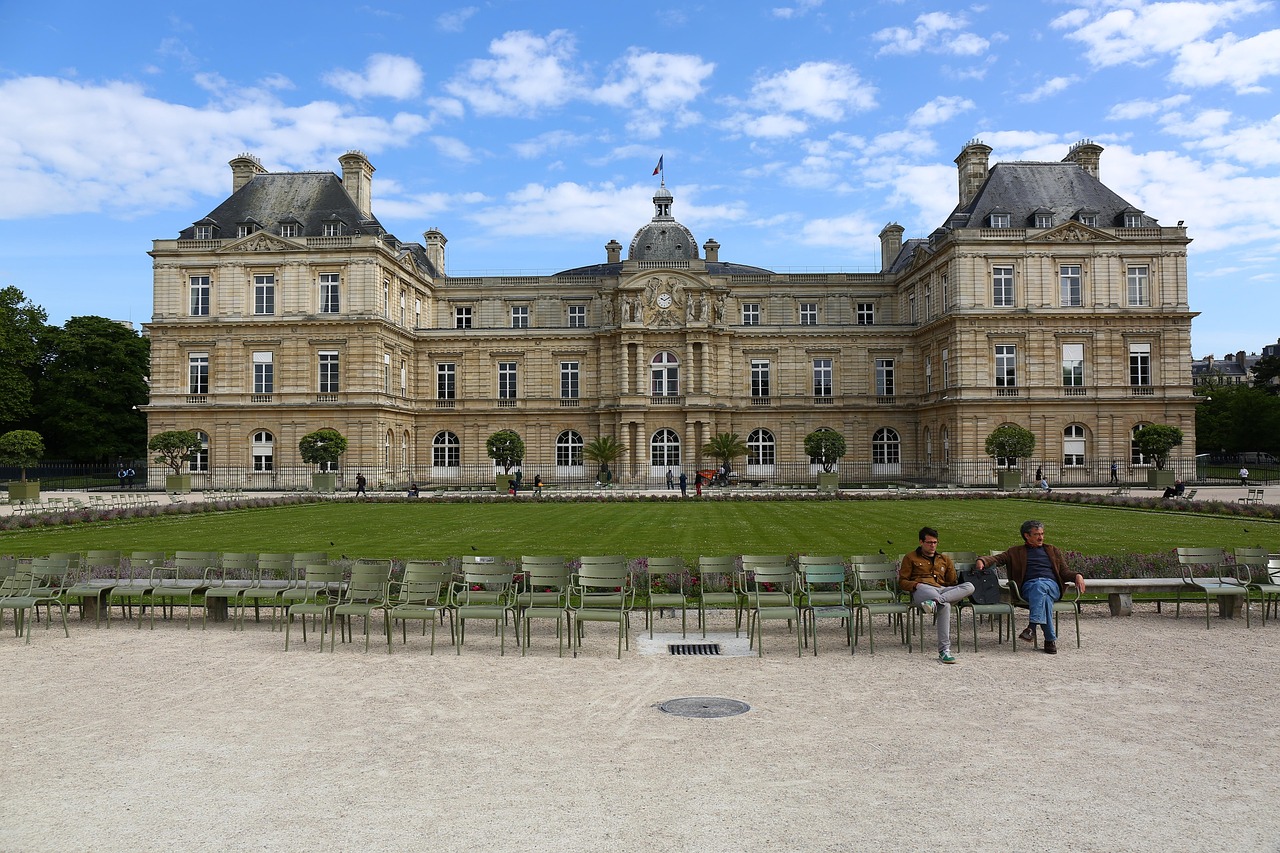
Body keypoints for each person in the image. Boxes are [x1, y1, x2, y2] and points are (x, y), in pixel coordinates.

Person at [976, 520, 1086, 655]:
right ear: (1026, 536)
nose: (1041, 537)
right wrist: (982, 560)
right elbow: (997, 559)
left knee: (1040, 586)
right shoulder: (1015, 552)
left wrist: (1077, 576)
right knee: (1044, 598)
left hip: (1052, 586)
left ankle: (1032, 627)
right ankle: (1049, 640)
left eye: (1042, 534)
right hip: (1029, 588)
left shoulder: (1052, 550)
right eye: (1037, 534)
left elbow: (1064, 572)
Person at [898, 527, 974, 664]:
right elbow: (902, 582)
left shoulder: (944, 559)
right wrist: (916, 585)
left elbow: (952, 581)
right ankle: (945, 650)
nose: (933, 545)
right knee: (945, 604)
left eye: (935, 542)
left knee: (969, 586)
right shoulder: (910, 557)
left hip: (942, 590)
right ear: (921, 542)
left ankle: (936, 601)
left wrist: (947, 589)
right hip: (922, 589)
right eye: (929, 542)